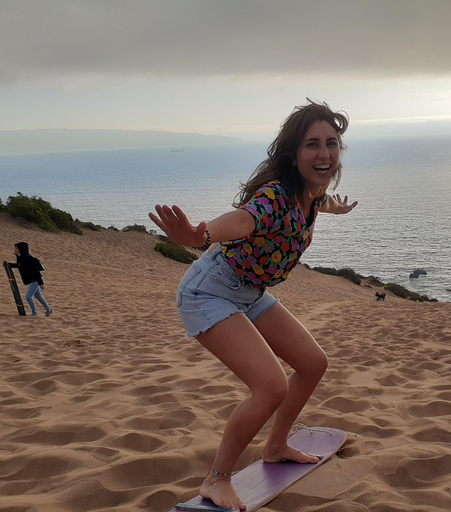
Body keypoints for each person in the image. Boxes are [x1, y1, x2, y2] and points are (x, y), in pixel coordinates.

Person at [149, 100, 358, 510]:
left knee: (313, 363)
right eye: (312, 144)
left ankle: (277, 445)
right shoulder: (276, 196)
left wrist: (338, 207)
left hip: (251, 293)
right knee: (271, 386)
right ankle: (217, 478)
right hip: (210, 291)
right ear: (293, 154)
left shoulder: (313, 193)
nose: (324, 154)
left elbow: (322, 202)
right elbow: (244, 220)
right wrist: (200, 234)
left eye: (331, 144)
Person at [4, 242, 53, 317]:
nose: (15, 250)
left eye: (17, 248)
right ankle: (48, 309)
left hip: (35, 279)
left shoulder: (29, 258)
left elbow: (36, 271)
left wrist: (41, 283)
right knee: (38, 296)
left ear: (21, 249)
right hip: (31, 280)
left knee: (28, 297)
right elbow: (19, 265)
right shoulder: (21, 257)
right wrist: (8, 264)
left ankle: (34, 313)